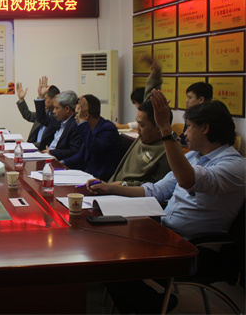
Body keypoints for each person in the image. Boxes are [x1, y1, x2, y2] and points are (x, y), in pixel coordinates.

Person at [88, 92, 245, 314]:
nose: (184, 133)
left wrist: (165, 129)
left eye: (189, 127)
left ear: (205, 128)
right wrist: (109, 188)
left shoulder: (235, 166)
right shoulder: (193, 157)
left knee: (112, 255)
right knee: (102, 238)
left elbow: (189, 180)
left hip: (194, 248)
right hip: (166, 231)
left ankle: (149, 305)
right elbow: (156, 190)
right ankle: (149, 302)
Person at [106, 98, 171, 185]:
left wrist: (124, 185)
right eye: (138, 124)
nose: (137, 129)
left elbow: (157, 188)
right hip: (112, 186)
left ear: (159, 127)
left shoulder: (168, 151)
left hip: (124, 191)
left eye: (142, 125)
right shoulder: (144, 138)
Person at [61, 95, 123, 181]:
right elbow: (80, 155)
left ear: (86, 115)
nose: (75, 117)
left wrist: (83, 123)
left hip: (102, 180)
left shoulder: (108, 128)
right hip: (88, 176)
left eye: (77, 114)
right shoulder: (89, 129)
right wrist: (62, 162)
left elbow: (94, 147)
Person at [115, 55, 161, 130]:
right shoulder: (145, 109)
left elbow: (153, 85)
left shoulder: (151, 107)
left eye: (135, 103)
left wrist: (156, 71)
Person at [35, 88, 82, 160]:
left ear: (67, 109)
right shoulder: (56, 120)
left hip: (58, 160)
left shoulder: (75, 124)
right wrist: (41, 97)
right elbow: (41, 119)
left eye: (56, 108)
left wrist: (51, 152)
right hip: (45, 156)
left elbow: (73, 151)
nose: (54, 111)